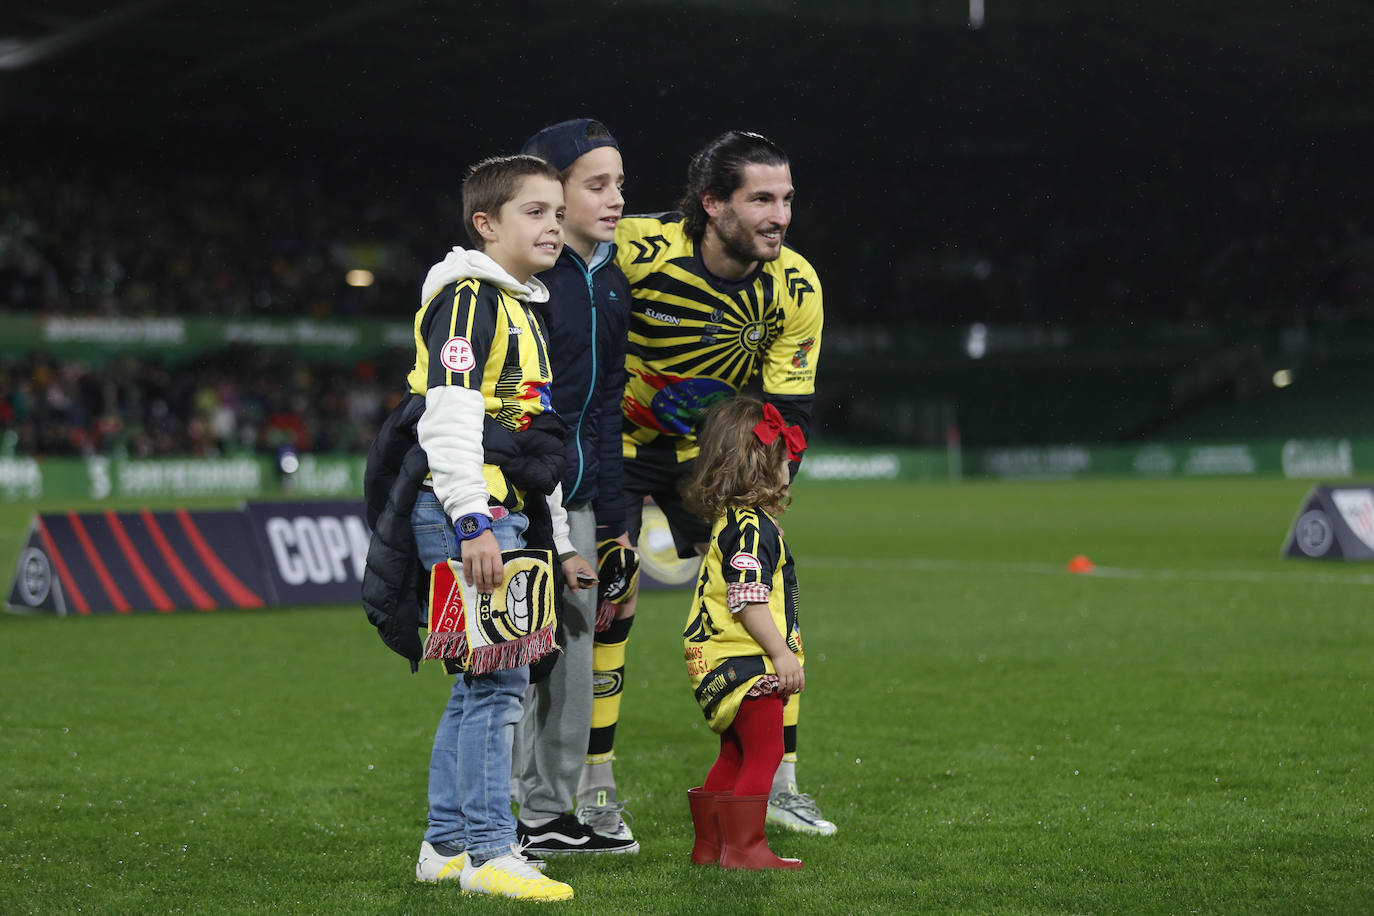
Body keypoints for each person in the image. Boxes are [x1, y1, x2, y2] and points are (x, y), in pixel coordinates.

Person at [582, 129, 833, 837]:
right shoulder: (632, 247)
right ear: (712, 204)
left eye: (785, 199)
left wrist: (762, 492)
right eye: (761, 199)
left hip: (711, 455)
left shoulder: (796, 285)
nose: (779, 215)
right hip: (617, 446)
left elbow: (791, 411)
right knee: (611, 597)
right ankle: (595, 787)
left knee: (769, 591)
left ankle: (780, 780)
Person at [362, 154, 595, 902]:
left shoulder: (523, 301)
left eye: (559, 212)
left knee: (477, 686)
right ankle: (495, 851)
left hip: (504, 508)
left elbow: (536, 437)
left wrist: (558, 542)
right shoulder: (468, 299)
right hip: (471, 512)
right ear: (485, 223)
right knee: (499, 684)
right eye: (535, 212)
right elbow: (452, 418)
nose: (554, 225)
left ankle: (448, 845)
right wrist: (473, 522)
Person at [508, 118, 638, 855]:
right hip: (527, 504)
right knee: (518, 663)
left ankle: (548, 816)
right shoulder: (526, 283)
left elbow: (608, 411)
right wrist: (542, 515)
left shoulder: (612, 284)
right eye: (597, 184)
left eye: (619, 183)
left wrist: (615, 523)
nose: (615, 198)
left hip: (587, 506)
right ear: (552, 191)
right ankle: (501, 814)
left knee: (575, 664)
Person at [681, 395, 806, 870]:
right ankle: (746, 849)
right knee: (768, 748)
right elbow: (748, 598)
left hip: (715, 658)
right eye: (783, 457)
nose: (790, 465)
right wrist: (781, 654)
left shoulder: (730, 522)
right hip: (744, 658)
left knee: (735, 752)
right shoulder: (752, 528)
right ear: (760, 465)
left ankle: (711, 847)